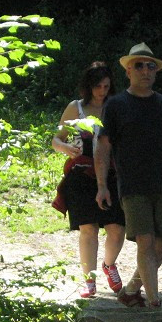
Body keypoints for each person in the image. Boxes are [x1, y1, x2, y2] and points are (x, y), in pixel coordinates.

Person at [94, 43, 162, 308]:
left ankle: (132, 287)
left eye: (151, 66)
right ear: (128, 71)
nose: (145, 70)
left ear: (156, 72)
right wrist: (101, 185)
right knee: (145, 239)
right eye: (139, 65)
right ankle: (154, 302)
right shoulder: (116, 105)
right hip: (132, 186)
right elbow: (103, 145)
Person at [51, 62, 126, 298]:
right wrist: (65, 148)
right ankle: (89, 281)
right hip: (81, 174)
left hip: (112, 173)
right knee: (88, 228)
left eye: (106, 86)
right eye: (97, 86)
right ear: (88, 86)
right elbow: (56, 139)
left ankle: (109, 264)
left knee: (116, 228)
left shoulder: (116, 107)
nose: (102, 91)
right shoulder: (76, 108)